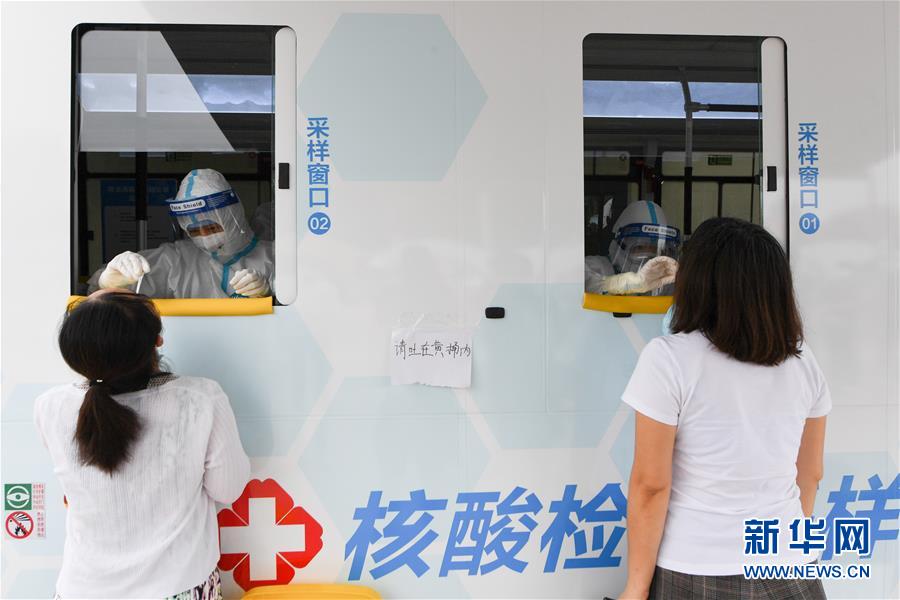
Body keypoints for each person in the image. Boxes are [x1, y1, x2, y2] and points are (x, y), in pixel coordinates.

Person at [619, 217, 830, 600]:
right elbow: (810, 474)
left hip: (697, 570)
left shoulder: (668, 359)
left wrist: (636, 588)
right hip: (791, 567)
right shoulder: (802, 361)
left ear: (697, 283)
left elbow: (651, 485)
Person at [34, 290, 250, 599]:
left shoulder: (50, 406)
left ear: (76, 350)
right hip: (178, 586)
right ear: (158, 340)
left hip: (81, 590)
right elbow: (227, 489)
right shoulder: (200, 399)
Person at [89, 168, 273, 299]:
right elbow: (97, 300)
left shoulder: (274, 256)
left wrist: (269, 294)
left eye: (212, 228)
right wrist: (108, 282)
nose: (207, 241)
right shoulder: (176, 260)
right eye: (194, 231)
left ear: (233, 217)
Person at [585, 200, 680, 295]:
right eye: (640, 248)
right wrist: (621, 284)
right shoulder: (597, 267)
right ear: (618, 246)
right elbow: (584, 283)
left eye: (657, 250)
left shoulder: (666, 282)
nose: (649, 259)